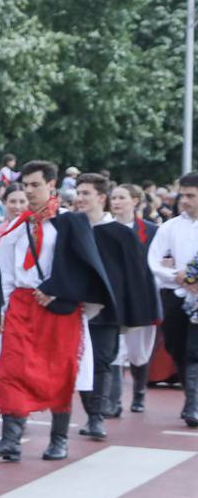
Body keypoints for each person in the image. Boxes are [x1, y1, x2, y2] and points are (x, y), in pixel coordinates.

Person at [0, 161, 114, 463]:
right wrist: (1, 308)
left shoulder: (71, 222)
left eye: (35, 185)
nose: (29, 191)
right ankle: (10, 439)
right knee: (12, 369)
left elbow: (85, 267)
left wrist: (58, 289)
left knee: (58, 372)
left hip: (58, 309)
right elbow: (6, 270)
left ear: (52, 185)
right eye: (25, 185)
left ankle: (58, 439)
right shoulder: (19, 225)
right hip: (22, 306)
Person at [73, 173, 158, 438]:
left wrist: (133, 313)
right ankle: (88, 413)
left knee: (101, 362)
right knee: (76, 364)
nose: (79, 198)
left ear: (101, 197)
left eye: (86, 193)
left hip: (108, 311)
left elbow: (135, 277)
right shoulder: (71, 228)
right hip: (73, 309)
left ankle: (97, 416)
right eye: (78, 192)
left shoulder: (121, 234)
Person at [147, 173, 198, 426]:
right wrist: (177, 276)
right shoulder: (170, 227)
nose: (185, 201)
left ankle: (194, 405)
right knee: (176, 346)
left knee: (194, 351)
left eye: (191, 196)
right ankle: (192, 396)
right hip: (174, 295)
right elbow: (153, 261)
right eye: (183, 196)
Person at [108, 183, 159, 413]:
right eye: (114, 197)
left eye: (121, 197)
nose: (116, 202)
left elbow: (159, 258)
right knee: (114, 350)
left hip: (141, 297)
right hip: (114, 298)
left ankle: (139, 392)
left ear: (135, 201)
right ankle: (114, 401)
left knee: (139, 353)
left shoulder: (151, 230)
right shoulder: (104, 228)